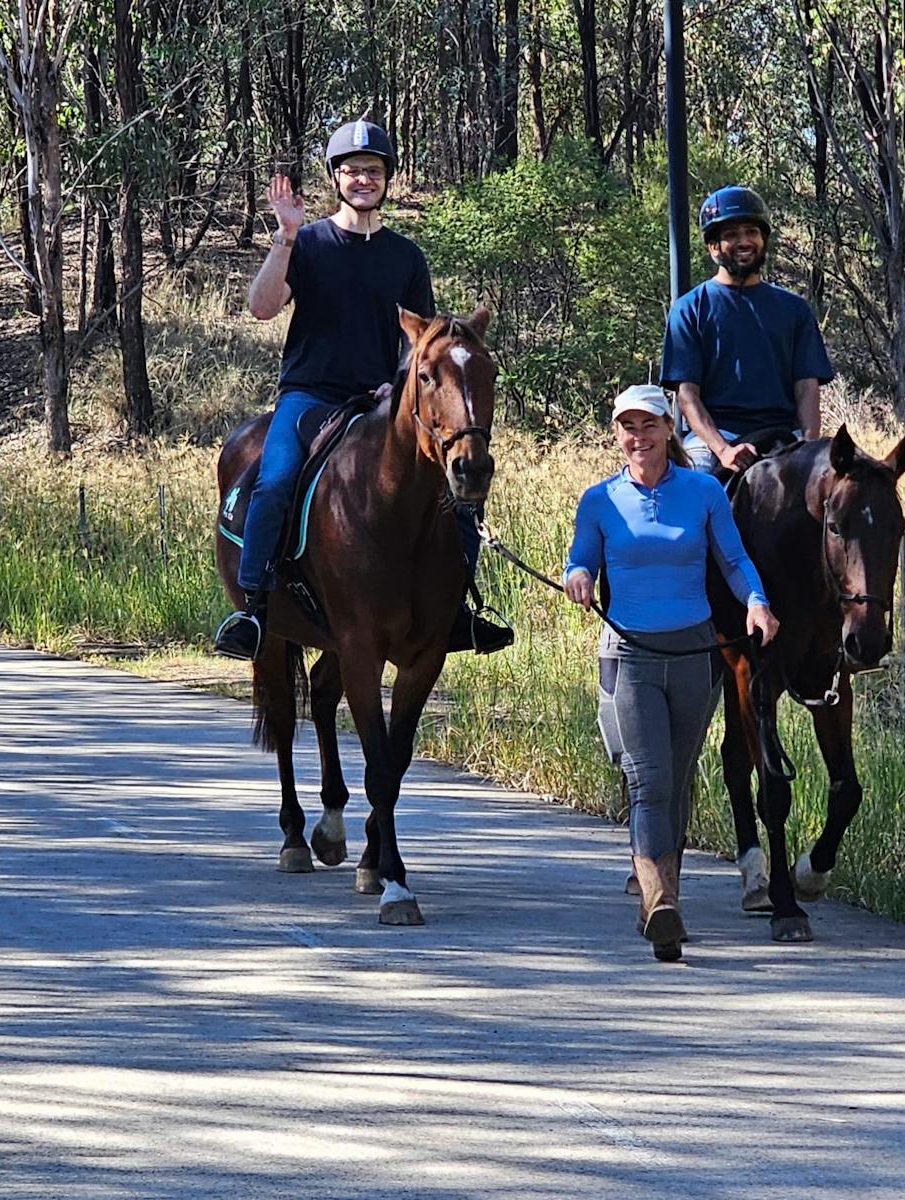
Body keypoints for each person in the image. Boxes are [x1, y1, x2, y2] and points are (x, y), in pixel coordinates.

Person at [215, 120, 512, 660]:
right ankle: (253, 610)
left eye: (372, 171)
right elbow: (261, 306)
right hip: (309, 396)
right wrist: (284, 235)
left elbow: (421, 343)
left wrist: (395, 384)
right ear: (336, 178)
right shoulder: (307, 243)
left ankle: (460, 610)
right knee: (277, 479)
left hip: (382, 402)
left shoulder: (406, 257)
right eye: (351, 170)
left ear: (387, 179)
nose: (362, 180)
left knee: (453, 493)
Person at [563, 384, 779, 962]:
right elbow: (581, 556)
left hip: (693, 656)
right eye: (628, 428)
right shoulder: (600, 500)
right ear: (617, 436)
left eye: (649, 426)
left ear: (668, 431)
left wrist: (756, 601)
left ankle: (666, 905)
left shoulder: (703, 492)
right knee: (648, 780)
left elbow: (733, 561)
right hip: (629, 655)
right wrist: (579, 576)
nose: (639, 437)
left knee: (678, 780)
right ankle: (657, 897)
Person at [660, 185, 834, 473]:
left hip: (784, 436)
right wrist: (723, 450)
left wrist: (809, 445)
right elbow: (687, 395)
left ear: (763, 239)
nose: (744, 241)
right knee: (690, 493)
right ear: (713, 246)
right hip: (716, 438)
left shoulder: (794, 309)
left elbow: (807, 387)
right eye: (731, 235)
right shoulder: (690, 308)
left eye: (751, 232)